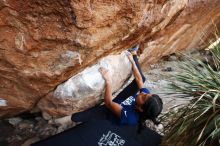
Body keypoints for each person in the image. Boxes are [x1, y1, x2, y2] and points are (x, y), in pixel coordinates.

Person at [99, 44, 163, 133]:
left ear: (141, 109)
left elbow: (109, 103)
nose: (142, 93)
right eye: (147, 93)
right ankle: (133, 52)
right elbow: (139, 79)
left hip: (110, 110)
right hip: (123, 101)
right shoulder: (145, 97)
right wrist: (132, 60)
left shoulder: (130, 117)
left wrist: (108, 80)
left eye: (143, 97)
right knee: (142, 79)